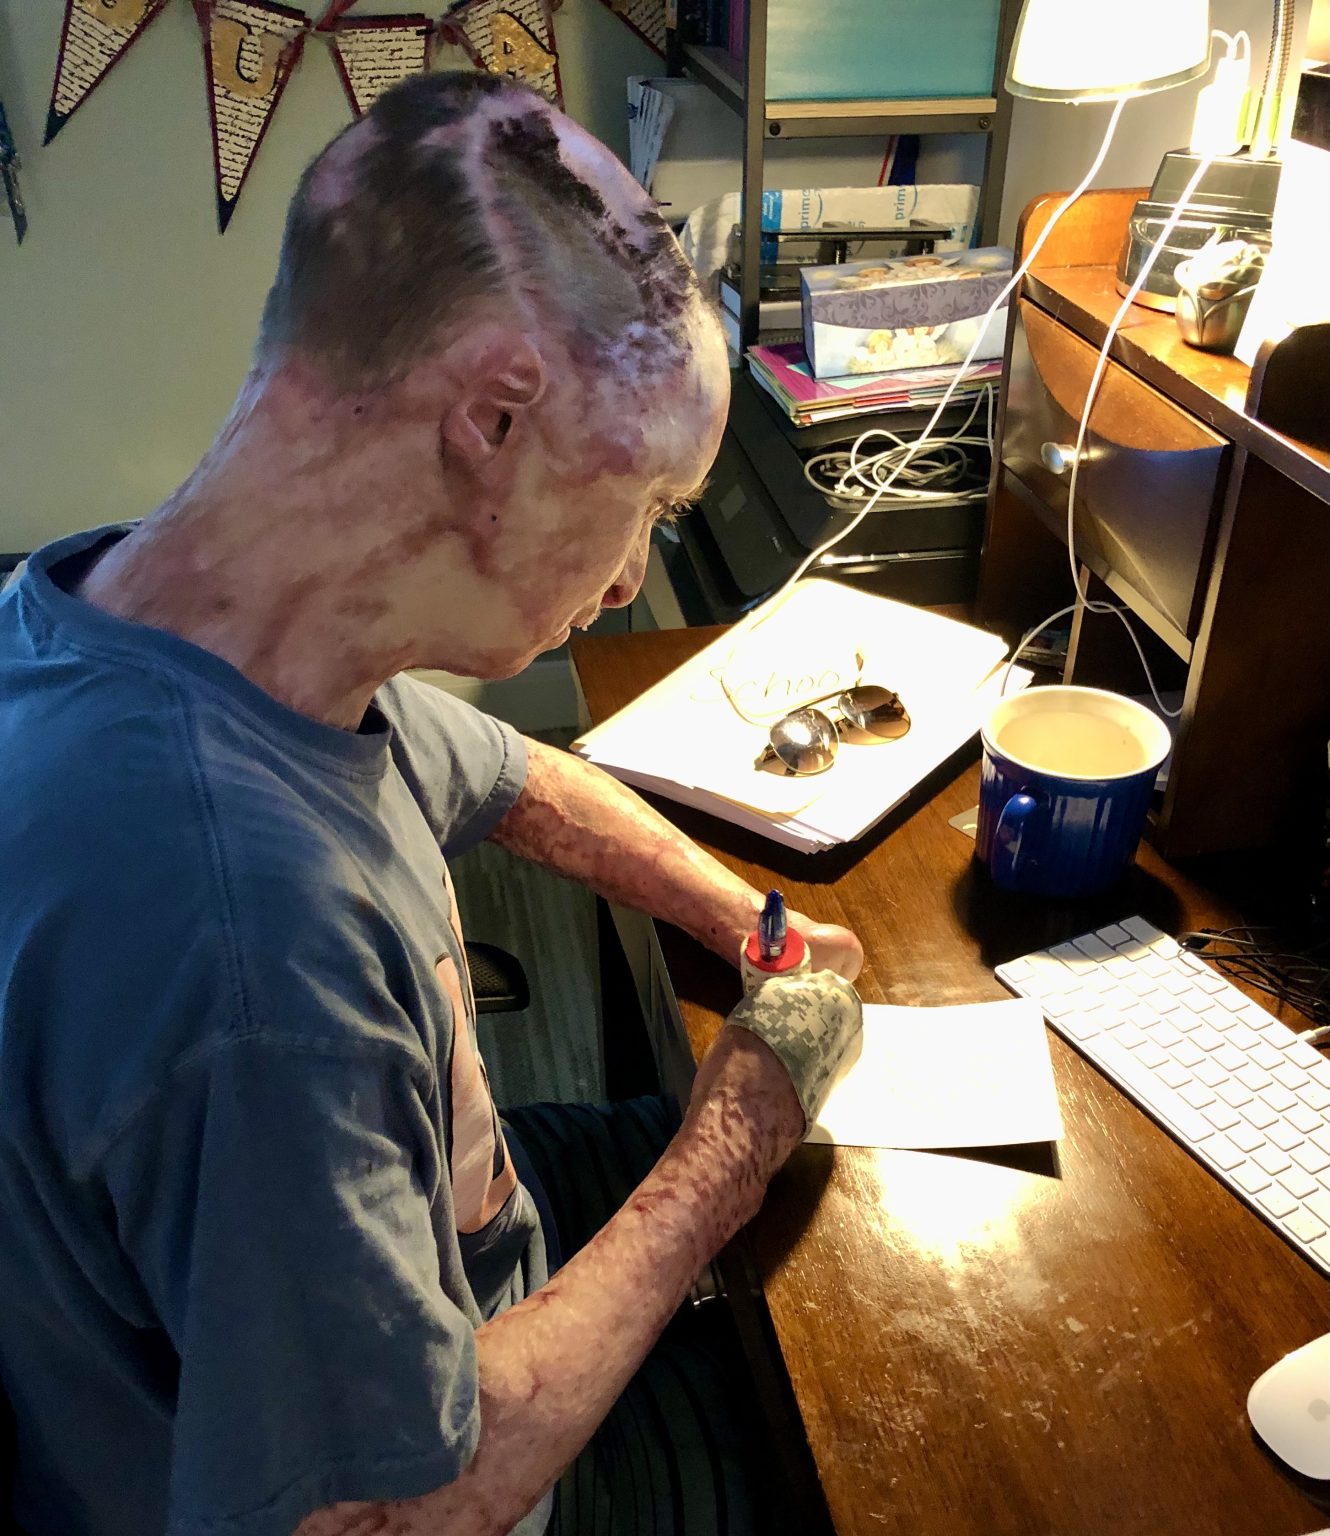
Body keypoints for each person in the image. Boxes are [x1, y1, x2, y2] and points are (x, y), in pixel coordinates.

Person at [0, 72, 864, 1536]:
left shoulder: (144, 614)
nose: (630, 579)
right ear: (492, 416)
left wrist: (744, 920)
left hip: (456, 1241)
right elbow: (399, 1514)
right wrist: (733, 1147)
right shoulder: (253, 952)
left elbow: (513, 777)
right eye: (649, 507)